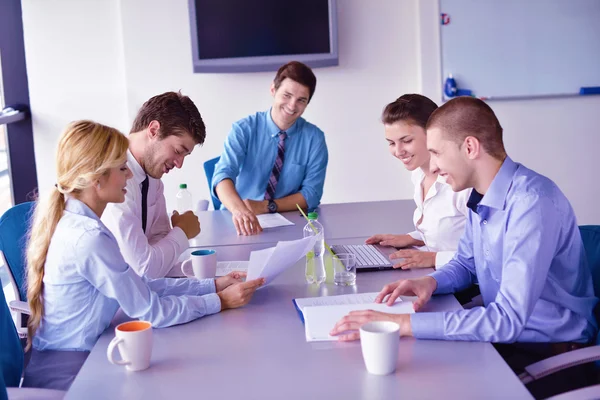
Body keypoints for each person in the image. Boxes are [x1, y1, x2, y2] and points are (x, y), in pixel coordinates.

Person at [331, 97, 597, 392]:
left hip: (548, 350)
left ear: (469, 147)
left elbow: (507, 320)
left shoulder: (531, 203)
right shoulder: (481, 195)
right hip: (508, 338)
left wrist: (404, 324)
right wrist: (430, 282)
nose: (432, 165)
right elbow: (467, 263)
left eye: (436, 153)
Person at [24, 121, 264, 390]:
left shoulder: (79, 221)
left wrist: (210, 285)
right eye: (121, 168)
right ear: (96, 179)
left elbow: (139, 285)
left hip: (83, 353)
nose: (129, 176)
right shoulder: (88, 238)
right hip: (71, 373)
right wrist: (219, 302)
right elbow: (151, 310)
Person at [212, 61, 328, 236]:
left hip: (288, 224)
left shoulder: (315, 138)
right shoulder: (243, 129)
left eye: (301, 100)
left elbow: (311, 194)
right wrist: (240, 211)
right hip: (236, 222)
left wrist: (266, 206)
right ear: (273, 90)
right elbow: (222, 177)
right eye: (287, 95)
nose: (292, 105)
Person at [102, 91, 204, 279]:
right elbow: (144, 269)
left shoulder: (152, 178)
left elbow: (160, 249)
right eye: (177, 151)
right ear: (154, 130)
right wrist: (182, 232)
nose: (179, 164)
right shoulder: (113, 180)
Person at [365, 94, 470, 270]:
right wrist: (411, 238)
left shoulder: (462, 186)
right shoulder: (419, 175)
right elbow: (450, 233)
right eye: (391, 143)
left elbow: (488, 252)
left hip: (464, 281)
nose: (398, 152)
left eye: (406, 141)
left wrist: (435, 258)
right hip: (436, 273)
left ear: (433, 134)